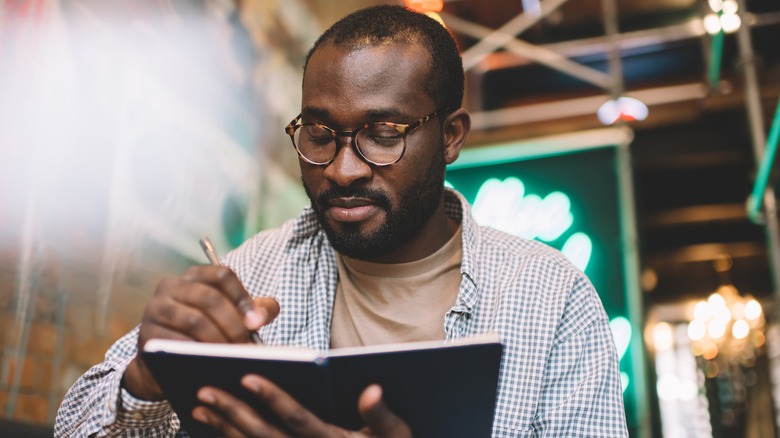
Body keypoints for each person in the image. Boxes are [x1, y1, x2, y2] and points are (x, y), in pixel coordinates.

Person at [55, 5, 628, 437]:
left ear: (450, 137)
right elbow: (71, 427)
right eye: (321, 134)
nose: (344, 169)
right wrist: (144, 381)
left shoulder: (552, 299)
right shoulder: (255, 270)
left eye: (384, 134)